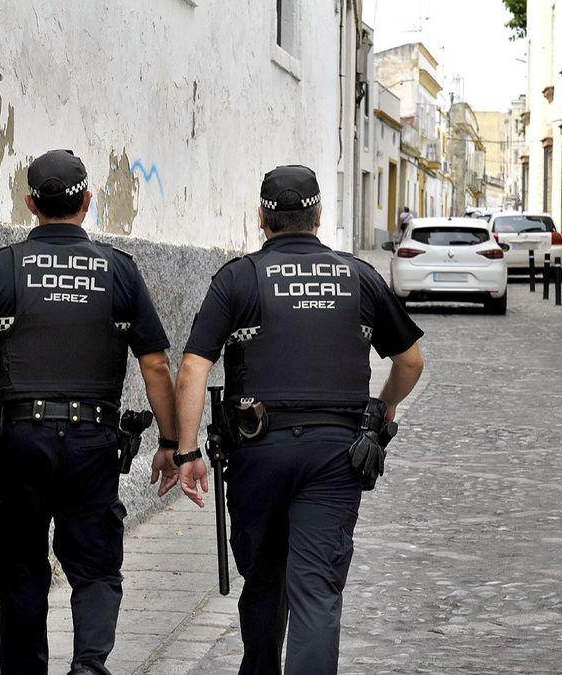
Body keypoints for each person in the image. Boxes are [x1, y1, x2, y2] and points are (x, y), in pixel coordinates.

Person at [0, 149, 180, 675]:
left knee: (20, 570)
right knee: (94, 565)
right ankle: (90, 666)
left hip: (19, 440)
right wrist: (170, 443)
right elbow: (156, 366)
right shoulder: (119, 271)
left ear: (30, 203)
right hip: (93, 442)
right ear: (87, 202)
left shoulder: (0, 269)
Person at [172, 165, 425, 674]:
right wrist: (386, 407)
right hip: (336, 456)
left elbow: (193, 368)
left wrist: (187, 451)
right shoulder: (359, 276)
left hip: (257, 452)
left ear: (262, 218)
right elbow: (411, 359)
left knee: (263, 581)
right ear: (318, 217)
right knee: (316, 590)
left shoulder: (239, 278)